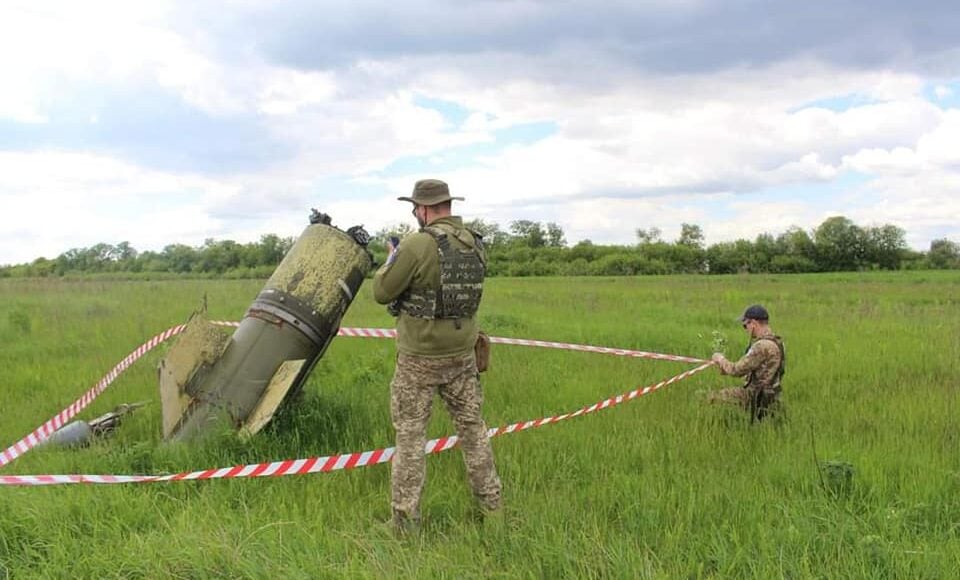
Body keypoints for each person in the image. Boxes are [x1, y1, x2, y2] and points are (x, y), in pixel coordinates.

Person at [372, 179, 502, 534]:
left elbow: (382, 292)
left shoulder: (417, 244)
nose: (416, 213)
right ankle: (493, 511)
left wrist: (392, 259)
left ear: (424, 209)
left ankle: (404, 522)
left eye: (416, 208)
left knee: (411, 437)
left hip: (419, 359)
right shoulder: (475, 243)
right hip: (462, 355)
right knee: (474, 431)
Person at [709, 304, 785, 422]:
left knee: (710, 397)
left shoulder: (761, 346)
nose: (745, 329)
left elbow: (736, 370)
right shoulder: (778, 343)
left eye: (745, 325)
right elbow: (763, 371)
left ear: (753, 323)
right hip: (773, 397)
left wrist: (720, 359)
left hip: (755, 396)